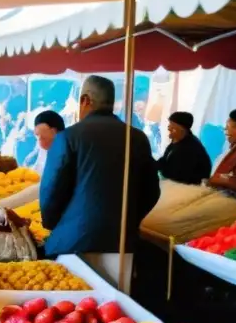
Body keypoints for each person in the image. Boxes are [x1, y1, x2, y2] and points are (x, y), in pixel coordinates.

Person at [40, 75, 160, 257]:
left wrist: (53, 223)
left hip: (73, 244)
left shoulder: (68, 137)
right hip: (122, 244)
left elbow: (51, 189)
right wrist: (128, 221)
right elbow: (151, 191)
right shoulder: (137, 138)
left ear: (85, 100)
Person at [156, 111, 212, 185]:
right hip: (174, 182)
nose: (168, 128)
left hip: (188, 187)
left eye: (172, 125)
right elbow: (165, 160)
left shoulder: (190, 148)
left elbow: (178, 176)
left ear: (182, 128)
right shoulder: (177, 140)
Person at [27, 110, 65, 177]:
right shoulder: (44, 149)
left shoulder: (68, 151)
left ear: (55, 132)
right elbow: (38, 169)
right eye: (37, 136)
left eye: (43, 138)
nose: (40, 142)